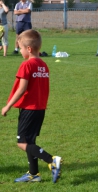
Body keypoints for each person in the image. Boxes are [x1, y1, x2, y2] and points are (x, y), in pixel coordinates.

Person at [1, 29, 62, 183]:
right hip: (40, 109)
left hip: (29, 109)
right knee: (30, 142)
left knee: (21, 143)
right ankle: (33, 174)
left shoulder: (26, 65)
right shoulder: (43, 64)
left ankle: (51, 160)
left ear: (28, 49)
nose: (20, 51)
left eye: (20, 48)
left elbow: (22, 89)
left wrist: (8, 106)